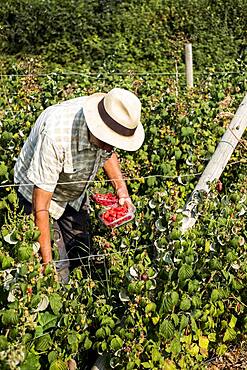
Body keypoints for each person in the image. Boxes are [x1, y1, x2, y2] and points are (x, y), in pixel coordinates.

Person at [14, 87, 145, 282]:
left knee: (82, 251)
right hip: (37, 194)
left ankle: (79, 297)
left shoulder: (108, 116)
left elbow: (107, 152)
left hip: (73, 192)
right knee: (58, 270)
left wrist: (122, 190)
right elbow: (40, 207)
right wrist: (47, 264)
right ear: (95, 127)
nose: (110, 148)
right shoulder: (56, 135)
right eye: (107, 140)